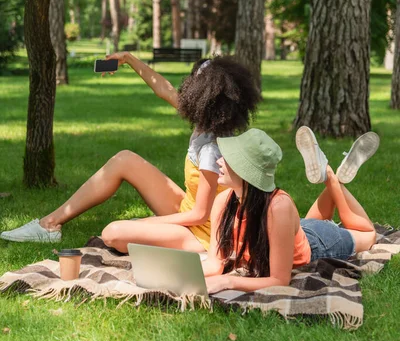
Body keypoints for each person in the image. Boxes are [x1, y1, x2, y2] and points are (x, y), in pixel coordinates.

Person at [1, 53, 260, 251]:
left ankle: (195, 254)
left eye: (193, 84)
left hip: (205, 234)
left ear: (203, 97)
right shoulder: (207, 121)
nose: (187, 87)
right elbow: (164, 89)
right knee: (125, 159)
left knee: (113, 232)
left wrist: (143, 224)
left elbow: (200, 215)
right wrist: (127, 59)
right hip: (190, 211)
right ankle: (49, 225)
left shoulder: (212, 148)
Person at [202, 126, 380, 294]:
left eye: (227, 158)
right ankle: (327, 175)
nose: (218, 161)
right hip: (291, 232)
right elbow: (215, 264)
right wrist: (180, 274)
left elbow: (279, 280)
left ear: (245, 171)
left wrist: (227, 281)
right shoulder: (223, 201)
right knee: (311, 224)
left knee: (369, 234)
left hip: (320, 244)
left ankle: (331, 178)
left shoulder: (279, 207)